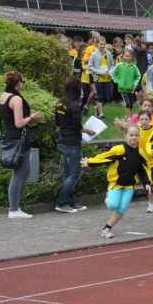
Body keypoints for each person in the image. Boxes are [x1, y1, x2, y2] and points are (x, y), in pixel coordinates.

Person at [81, 122, 152, 238]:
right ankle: (108, 196)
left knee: (122, 208)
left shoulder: (140, 153)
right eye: (131, 135)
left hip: (129, 186)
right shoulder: (119, 150)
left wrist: (147, 183)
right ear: (125, 135)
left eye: (136, 135)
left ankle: (106, 228)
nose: (134, 137)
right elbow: (105, 157)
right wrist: (90, 162)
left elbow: (143, 170)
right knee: (112, 206)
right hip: (116, 184)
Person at [0, 71, 45, 219]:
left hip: (12, 137)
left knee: (24, 173)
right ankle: (13, 210)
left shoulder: (4, 95)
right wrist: (31, 117)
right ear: (19, 83)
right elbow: (19, 123)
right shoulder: (16, 99)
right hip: (19, 139)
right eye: (23, 82)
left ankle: (15, 207)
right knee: (19, 175)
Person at [55, 76, 96, 213]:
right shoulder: (75, 105)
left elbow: (58, 122)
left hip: (62, 142)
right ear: (77, 89)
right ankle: (61, 203)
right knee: (75, 174)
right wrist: (89, 130)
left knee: (68, 174)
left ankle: (69, 202)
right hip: (72, 144)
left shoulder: (60, 102)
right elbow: (78, 126)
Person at [135, 110, 153, 213]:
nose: (144, 121)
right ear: (138, 120)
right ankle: (152, 204)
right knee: (146, 184)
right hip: (143, 163)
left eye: (146, 119)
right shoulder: (137, 132)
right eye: (142, 119)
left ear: (150, 119)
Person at [87, 36, 114, 120]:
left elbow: (112, 65)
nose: (102, 46)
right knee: (100, 96)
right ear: (97, 44)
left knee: (106, 98)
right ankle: (100, 114)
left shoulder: (108, 54)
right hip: (98, 78)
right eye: (100, 44)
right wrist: (99, 72)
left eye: (103, 44)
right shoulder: (94, 54)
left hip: (106, 78)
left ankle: (97, 108)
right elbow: (90, 66)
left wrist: (110, 71)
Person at [111, 49, 141, 120]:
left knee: (131, 104)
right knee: (127, 103)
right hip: (122, 88)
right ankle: (128, 118)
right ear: (123, 56)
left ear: (132, 57)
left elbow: (138, 76)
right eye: (126, 56)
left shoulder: (134, 66)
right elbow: (113, 74)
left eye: (129, 56)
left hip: (130, 88)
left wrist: (133, 84)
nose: (128, 58)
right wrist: (118, 81)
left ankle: (125, 116)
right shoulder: (119, 65)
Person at [82, 31, 100, 115]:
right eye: (95, 37)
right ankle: (86, 106)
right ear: (91, 39)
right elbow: (85, 61)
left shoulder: (103, 47)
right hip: (92, 72)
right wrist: (92, 55)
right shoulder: (89, 48)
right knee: (95, 92)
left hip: (101, 72)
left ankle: (98, 109)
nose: (97, 39)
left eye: (98, 37)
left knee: (103, 95)